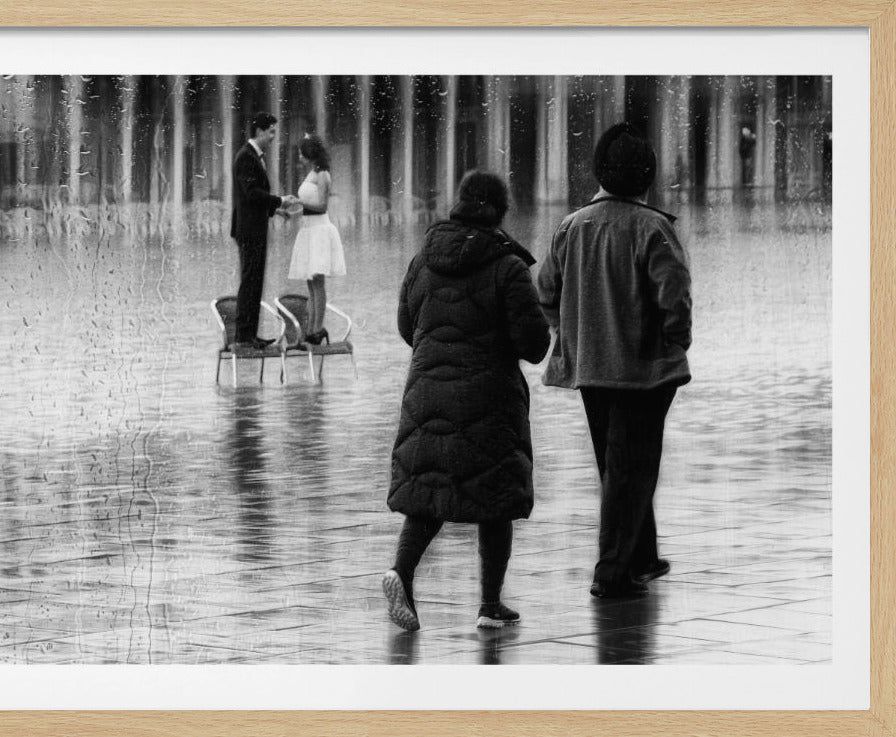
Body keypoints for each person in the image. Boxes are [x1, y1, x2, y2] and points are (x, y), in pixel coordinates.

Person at [383, 170, 551, 632]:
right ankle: (489, 605)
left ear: (458, 205)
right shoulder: (507, 266)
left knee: (429, 492)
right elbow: (534, 344)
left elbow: (406, 326)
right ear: (499, 212)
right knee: (495, 497)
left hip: (428, 392)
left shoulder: (423, 260)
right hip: (489, 396)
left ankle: (401, 571)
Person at [536, 122, 692, 599]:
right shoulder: (654, 228)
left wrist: (574, 332)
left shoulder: (571, 226)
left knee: (617, 464)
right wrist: (675, 341)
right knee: (633, 467)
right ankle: (612, 574)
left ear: (600, 172)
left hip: (591, 369)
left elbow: (545, 291)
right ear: (646, 177)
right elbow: (675, 299)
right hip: (644, 371)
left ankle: (642, 556)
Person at [230, 112, 299, 348]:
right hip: (249, 231)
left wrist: (276, 211)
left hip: (254, 227)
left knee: (255, 281)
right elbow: (251, 194)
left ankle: (250, 335)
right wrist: (279, 201)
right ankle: (242, 337)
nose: (273, 137)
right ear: (259, 131)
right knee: (250, 281)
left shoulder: (253, 156)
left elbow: (252, 199)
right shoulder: (246, 157)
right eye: (271, 132)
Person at [286, 135, 347, 344]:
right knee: (311, 284)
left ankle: (317, 329)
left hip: (320, 231)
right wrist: (291, 213)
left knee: (318, 283)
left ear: (310, 155)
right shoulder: (311, 173)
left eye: (302, 154)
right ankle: (310, 330)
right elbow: (308, 208)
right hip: (309, 230)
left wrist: (298, 201)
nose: (300, 158)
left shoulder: (323, 175)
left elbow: (321, 206)